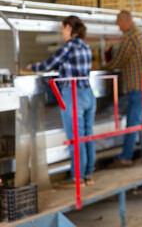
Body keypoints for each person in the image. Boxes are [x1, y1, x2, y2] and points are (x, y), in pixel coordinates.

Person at [26, 16, 96, 188]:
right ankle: (88, 175)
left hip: (73, 95)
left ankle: (77, 179)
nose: (62, 32)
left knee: (75, 138)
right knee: (87, 136)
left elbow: (49, 64)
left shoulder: (68, 47)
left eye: (62, 28)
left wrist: (32, 67)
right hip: (88, 93)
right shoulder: (86, 46)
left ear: (67, 28)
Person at [105, 10, 142, 167]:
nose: (119, 28)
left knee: (133, 121)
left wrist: (105, 67)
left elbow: (120, 59)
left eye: (118, 25)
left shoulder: (130, 36)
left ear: (124, 21)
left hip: (140, 86)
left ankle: (126, 156)